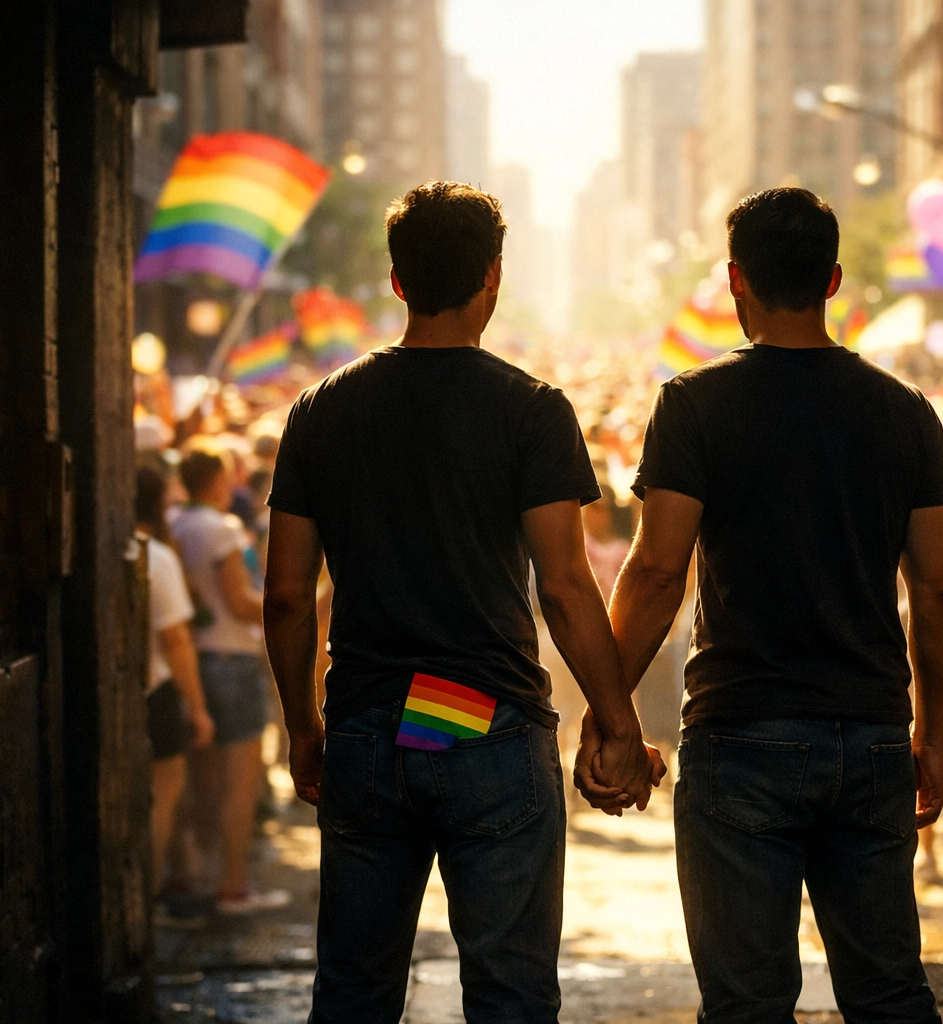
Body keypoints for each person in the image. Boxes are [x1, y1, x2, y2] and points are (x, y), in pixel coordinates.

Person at [261, 182, 657, 1024]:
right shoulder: (531, 409)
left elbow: (290, 593)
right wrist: (616, 721)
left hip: (368, 726)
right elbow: (564, 581)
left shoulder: (321, 410)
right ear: (494, 276)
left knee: (354, 993)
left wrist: (302, 728)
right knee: (510, 997)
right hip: (487, 725)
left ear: (397, 281)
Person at [581, 188, 943, 1022]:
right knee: (890, 991)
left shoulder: (695, 403)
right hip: (868, 734)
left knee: (747, 1002)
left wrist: (606, 711)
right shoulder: (907, 413)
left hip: (740, 735)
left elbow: (654, 575)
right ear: (832, 279)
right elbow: (936, 591)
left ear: (734, 279)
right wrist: (931, 733)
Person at [170, 445, 291, 914]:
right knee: (239, 784)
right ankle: (233, 886)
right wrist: (286, 605)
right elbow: (239, 603)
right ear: (216, 480)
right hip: (232, 661)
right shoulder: (219, 528)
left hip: (196, 662)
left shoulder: (177, 523)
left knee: (202, 781)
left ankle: (193, 875)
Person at [135, 464, 215, 913]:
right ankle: (143, 904)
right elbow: (177, 640)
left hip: (137, 692)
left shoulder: (117, 546)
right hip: (156, 692)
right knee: (160, 802)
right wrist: (199, 708)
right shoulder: (156, 556)